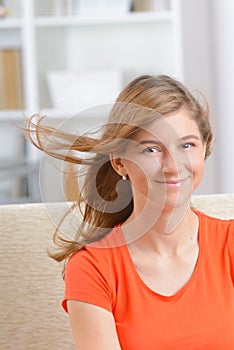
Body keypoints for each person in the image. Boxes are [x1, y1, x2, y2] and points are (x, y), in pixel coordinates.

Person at [27, 75, 234, 349]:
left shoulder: (229, 243)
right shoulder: (92, 267)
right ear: (119, 162)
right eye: (151, 149)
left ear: (204, 148)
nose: (173, 165)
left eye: (187, 145)